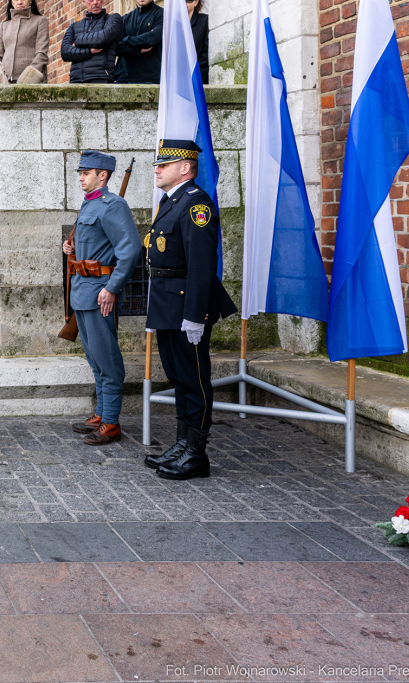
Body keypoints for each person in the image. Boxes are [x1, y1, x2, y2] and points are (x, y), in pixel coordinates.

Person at [142, 139, 237, 480]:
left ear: (185, 168)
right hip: (168, 304)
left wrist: (195, 315)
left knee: (195, 380)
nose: (157, 169)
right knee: (180, 378)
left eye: (163, 165)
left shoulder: (196, 204)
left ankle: (196, 453)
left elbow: (201, 264)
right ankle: (182, 445)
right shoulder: (172, 202)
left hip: (186, 306)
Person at [62, 151, 140, 445]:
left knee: (107, 360)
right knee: (94, 358)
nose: (81, 177)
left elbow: (129, 251)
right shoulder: (90, 204)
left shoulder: (113, 205)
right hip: (82, 291)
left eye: (86, 172)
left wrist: (112, 287)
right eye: (80, 173)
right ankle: (101, 413)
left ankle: (111, 422)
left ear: (102, 176)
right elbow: (94, 245)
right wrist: (71, 250)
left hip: (99, 293)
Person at [60, 0, 123, 84]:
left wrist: (78, 40)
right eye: (91, 0)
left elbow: (103, 38)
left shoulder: (113, 19)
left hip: (101, 78)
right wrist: (89, 51)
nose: (95, 2)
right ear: (84, 2)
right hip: (76, 81)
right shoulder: (74, 27)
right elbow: (65, 52)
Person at [0, 0, 50, 83]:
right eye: (16, 0)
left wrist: (28, 78)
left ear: (30, 1)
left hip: (32, 82)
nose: (19, 2)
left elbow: (41, 54)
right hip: (5, 82)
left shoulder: (40, 21)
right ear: (12, 3)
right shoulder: (4, 26)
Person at [114, 0, 164, 84]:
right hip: (123, 78)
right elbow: (116, 47)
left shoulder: (162, 14)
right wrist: (138, 50)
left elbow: (151, 39)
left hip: (150, 79)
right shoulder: (125, 18)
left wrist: (126, 39)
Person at [188, 0, 209, 84]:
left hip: (198, 80)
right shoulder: (172, 24)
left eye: (188, 0)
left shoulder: (204, 20)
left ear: (196, 2)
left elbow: (206, 53)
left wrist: (197, 80)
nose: (184, 3)